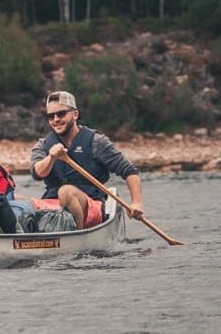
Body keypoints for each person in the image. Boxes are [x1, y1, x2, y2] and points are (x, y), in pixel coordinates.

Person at [29, 89, 145, 229]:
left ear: (75, 114)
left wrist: (136, 202)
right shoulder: (42, 146)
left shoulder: (97, 142)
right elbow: (37, 174)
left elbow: (130, 171)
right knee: (13, 199)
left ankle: (74, 235)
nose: (56, 120)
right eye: (51, 116)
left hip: (91, 205)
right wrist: (51, 157)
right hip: (53, 206)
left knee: (66, 192)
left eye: (61, 114)